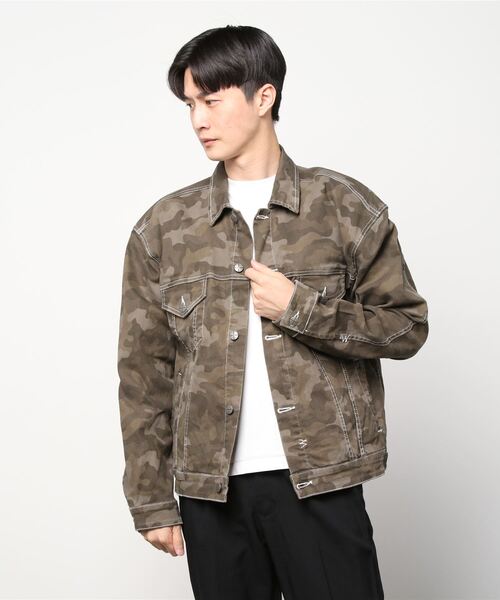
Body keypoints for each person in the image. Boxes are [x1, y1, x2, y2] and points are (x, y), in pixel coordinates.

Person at [117, 25, 429, 600]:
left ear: (265, 97)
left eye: (212, 101)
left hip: (321, 482)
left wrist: (302, 310)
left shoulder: (342, 208)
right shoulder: (163, 228)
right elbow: (143, 374)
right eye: (190, 105)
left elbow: (406, 326)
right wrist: (151, 498)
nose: (198, 120)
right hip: (212, 494)